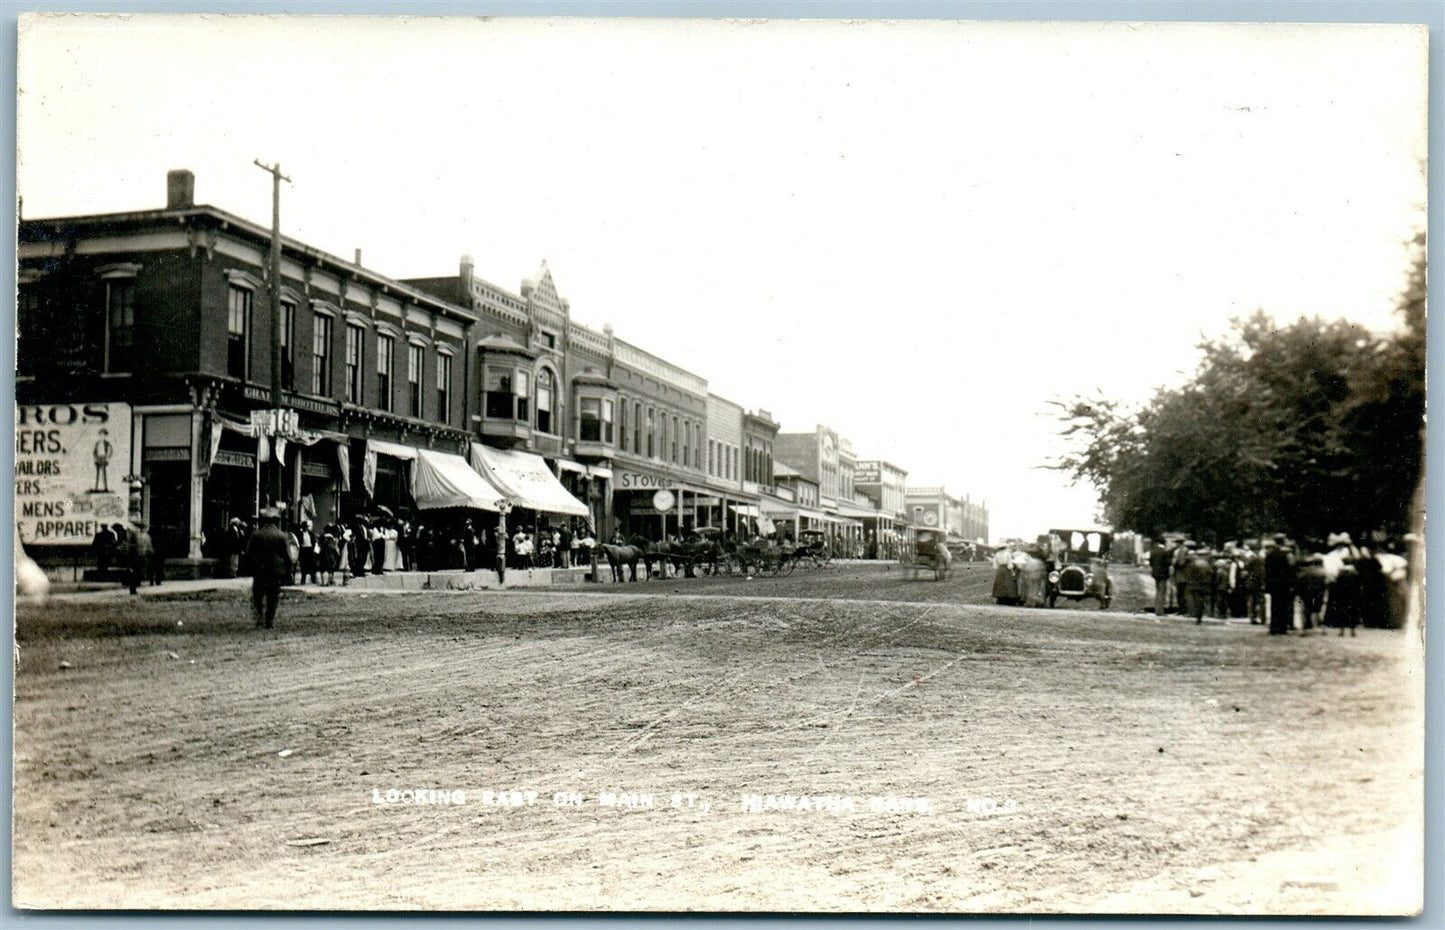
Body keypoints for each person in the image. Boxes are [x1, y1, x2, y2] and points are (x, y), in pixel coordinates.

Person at [244, 507, 293, 629]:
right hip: (276, 571)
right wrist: (289, 572)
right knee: (273, 596)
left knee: (258, 595)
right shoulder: (282, 536)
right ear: (277, 521)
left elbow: (248, 554)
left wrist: (249, 568)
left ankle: (259, 618)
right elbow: (288, 557)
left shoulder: (256, 535)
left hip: (260, 570)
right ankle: (269, 621)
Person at [1264, 534, 1295, 635]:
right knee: (1284, 605)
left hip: (1274, 584)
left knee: (1275, 605)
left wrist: (1267, 584)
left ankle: (1274, 627)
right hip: (1284, 584)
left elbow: (1267, 571)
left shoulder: (1270, 555)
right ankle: (1282, 627)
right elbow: (1289, 570)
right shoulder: (1286, 554)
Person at [125, 521, 155, 595]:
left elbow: (148, 546)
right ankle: (133, 587)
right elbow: (132, 546)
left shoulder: (144, 536)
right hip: (137, 556)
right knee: (136, 572)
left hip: (140, 556)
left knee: (138, 571)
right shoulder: (138, 535)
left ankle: (135, 585)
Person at [1148, 539, 1174, 616]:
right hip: (1163, 574)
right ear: (1164, 543)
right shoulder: (1165, 552)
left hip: (1155, 574)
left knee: (1158, 591)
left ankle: (1157, 609)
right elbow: (1168, 563)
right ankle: (1160, 611)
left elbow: (1151, 562)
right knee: (1162, 592)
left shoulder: (1153, 551)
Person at [295, 520, 318, 585]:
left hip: (310, 550)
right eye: (304, 527)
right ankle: (303, 579)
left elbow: (313, 541)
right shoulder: (300, 534)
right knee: (303, 565)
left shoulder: (310, 534)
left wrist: (312, 549)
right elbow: (298, 542)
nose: (305, 528)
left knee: (312, 565)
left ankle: (313, 579)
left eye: (306, 527)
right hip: (303, 550)